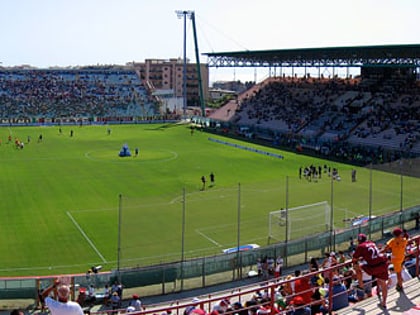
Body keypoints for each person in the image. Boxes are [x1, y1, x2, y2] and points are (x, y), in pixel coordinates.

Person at [352, 233, 389, 309]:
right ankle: (384, 302)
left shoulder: (360, 246)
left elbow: (354, 258)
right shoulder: (372, 243)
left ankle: (361, 284)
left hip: (373, 267)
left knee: (356, 266)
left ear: (359, 241)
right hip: (383, 264)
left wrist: (358, 260)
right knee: (383, 283)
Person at [382, 227, 408, 291]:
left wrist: (379, 252)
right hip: (402, 257)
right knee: (399, 271)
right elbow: (406, 237)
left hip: (395, 260)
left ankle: (400, 285)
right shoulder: (404, 240)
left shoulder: (392, 241)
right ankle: (399, 284)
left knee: (398, 273)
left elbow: (386, 248)